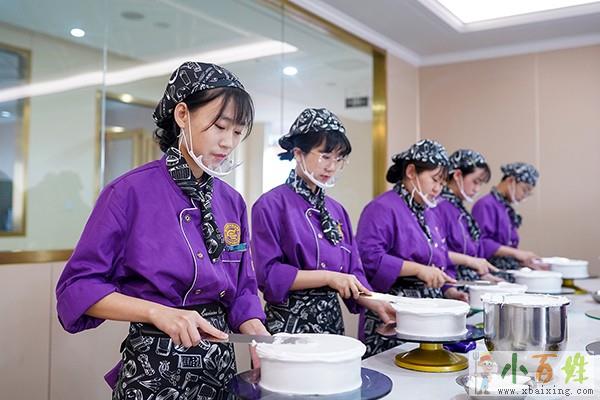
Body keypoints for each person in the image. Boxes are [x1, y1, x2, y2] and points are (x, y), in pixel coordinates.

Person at [56, 62, 268, 400]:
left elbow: (242, 287)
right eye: (220, 126)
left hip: (220, 369)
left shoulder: (232, 202)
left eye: (238, 132)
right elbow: (77, 288)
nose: (228, 142)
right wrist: (157, 311)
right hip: (154, 371)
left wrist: (256, 332)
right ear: (182, 114)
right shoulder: (128, 192)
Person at [251, 107, 395, 335]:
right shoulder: (270, 205)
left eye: (339, 159)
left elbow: (353, 271)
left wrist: (376, 303)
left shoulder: (336, 211)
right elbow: (269, 274)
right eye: (325, 156)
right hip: (289, 324)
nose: (332, 166)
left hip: (331, 323)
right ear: (298, 154)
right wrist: (329, 277)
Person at [356, 139, 464, 358]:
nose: (438, 189)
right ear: (411, 172)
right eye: (434, 180)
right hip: (394, 312)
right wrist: (417, 269)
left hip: (428, 314)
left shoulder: (429, 212)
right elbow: (368, 259)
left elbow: (439, 258)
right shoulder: (381, 208)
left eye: (442, 183)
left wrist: (448, 290)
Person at [435, 149, 502, 282]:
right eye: (475, 182)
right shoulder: (439, 206)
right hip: (449, 280)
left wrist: (483, 275)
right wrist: (470, 262)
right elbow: (435, 253)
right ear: (458, 175)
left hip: (466, 278)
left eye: (480, 184)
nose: (477, 189)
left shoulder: (457, 207)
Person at [472, 162, 545, 280]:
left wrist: (523, 261)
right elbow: (481, 243)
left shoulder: (506, 209)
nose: (524, 196)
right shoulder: (485, 205)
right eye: (524, 190)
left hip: (507, 269)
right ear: (511, 181)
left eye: (529, 193)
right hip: (491, 272)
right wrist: (517, 253)